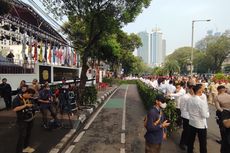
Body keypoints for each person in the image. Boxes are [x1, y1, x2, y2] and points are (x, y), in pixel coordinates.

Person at [187, 84, 210, 153]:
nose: (203, 92)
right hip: (200, 125)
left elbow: (188, 109)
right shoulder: (200, 102)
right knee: (202, 143)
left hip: (191, 122)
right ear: (199, 91)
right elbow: (204, 115)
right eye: (202, 90)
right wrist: (208, 113)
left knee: (191, 140)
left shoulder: (189, 99)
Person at [12, 87, 36, 153]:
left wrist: (33, 107)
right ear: (26, 93)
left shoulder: (29, 98)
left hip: (30, 119)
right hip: (22, 120)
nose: (31, 97)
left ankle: (26, 147)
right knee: (22, 136)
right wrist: (25, 105)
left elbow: (33, 105)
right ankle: (19, 151)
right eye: (30, 95)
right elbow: (15, 109)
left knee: (28, 134)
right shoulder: (17, 99)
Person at [179, 84, 194, 150]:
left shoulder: (194, 96)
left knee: (191, 131)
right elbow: (181, 107)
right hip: (186, 116)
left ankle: (188, 143)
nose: (194, 91)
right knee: (186, 131)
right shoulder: (185, 97)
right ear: (190, 89)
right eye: (193, 89)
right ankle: (182, 143)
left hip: (192, 116)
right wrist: (184, 113)